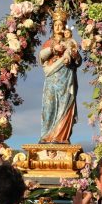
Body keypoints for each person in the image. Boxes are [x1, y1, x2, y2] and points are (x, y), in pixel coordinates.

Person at [39, 8, 82, 144]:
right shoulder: (48, 42)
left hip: (66, 78)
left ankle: (60, 137)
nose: (58, 27)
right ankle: (46, 136)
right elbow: (41, 57)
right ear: (53, 27)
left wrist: (74, 55)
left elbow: (78, 60)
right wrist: (53, 49)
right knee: (49, 106)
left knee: (65, 105)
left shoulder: (70, 42)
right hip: (52, 78)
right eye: (55, 25)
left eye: (61, 25)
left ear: (64, 27)